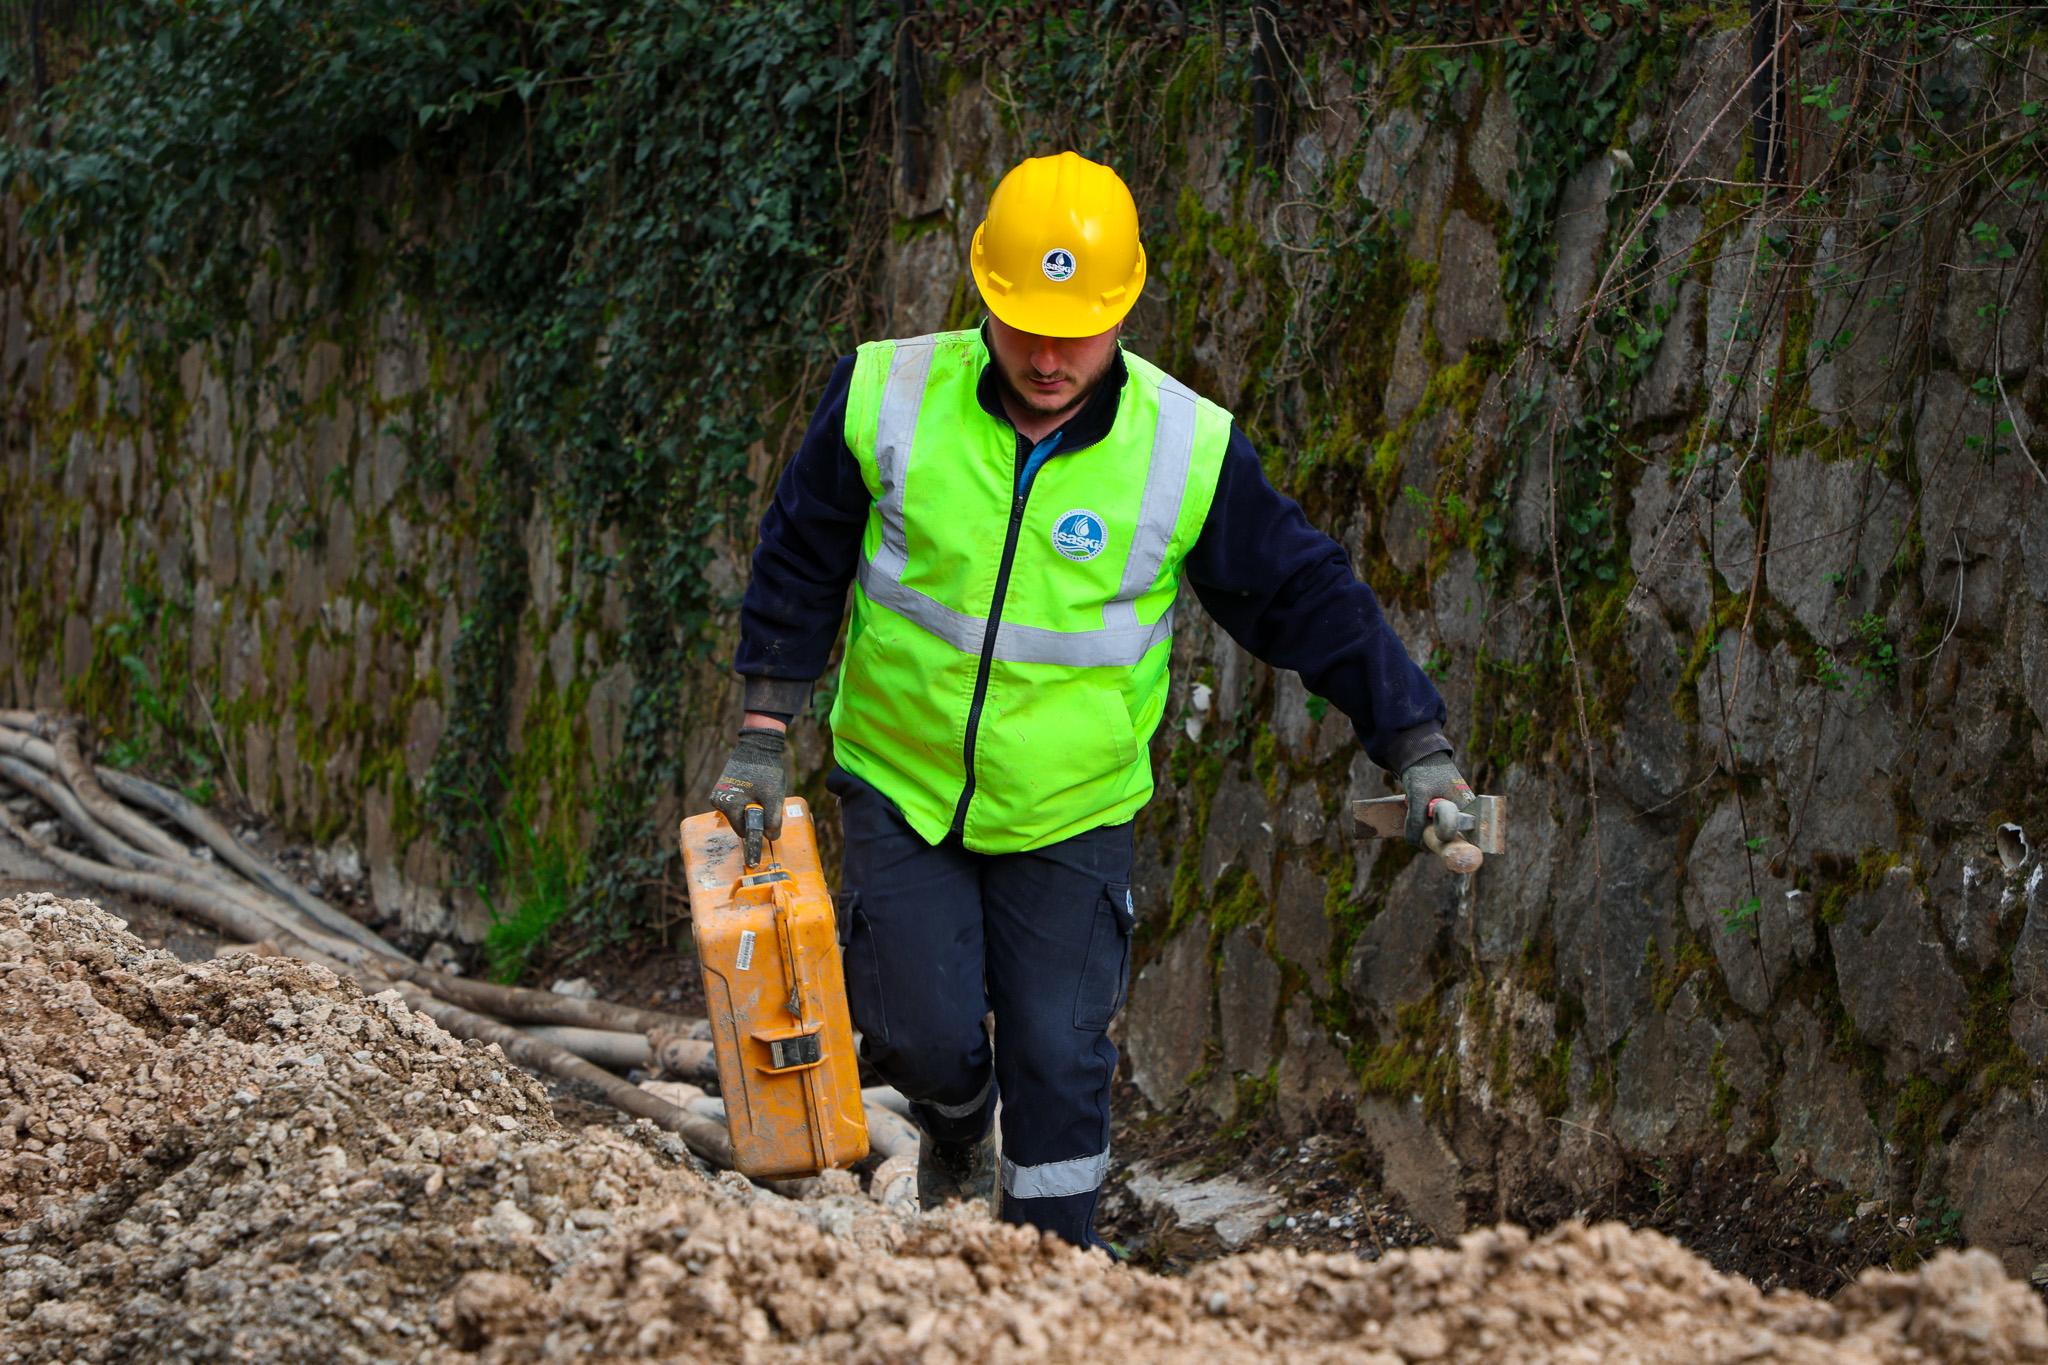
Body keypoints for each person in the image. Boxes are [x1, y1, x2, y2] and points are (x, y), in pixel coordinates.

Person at [712, 151, 1471, 1253]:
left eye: (1077, 328)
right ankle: (956, 1130)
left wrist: (1414, 742)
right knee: (920, 1034)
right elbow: (799, 552)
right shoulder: (886, 393)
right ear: (985, 297)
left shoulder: (1184, 449)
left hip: (1073, 808)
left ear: (1122, 309)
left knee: (1059, 1061)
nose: (1049, 355)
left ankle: (1054, 1272)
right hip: (899, 778)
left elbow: (1305, 595)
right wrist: (762, 732)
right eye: (1024, 325)